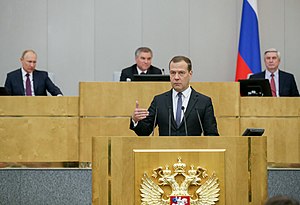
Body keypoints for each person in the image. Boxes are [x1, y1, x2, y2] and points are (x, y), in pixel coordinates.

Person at [130, 56, 219, 136]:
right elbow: (145, 131)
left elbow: (211, 134)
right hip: (165, 152)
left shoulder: (203, 102)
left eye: (181, 73)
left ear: (190, 74)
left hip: (193, 153)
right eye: (173, 73)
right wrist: (135, 120)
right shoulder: (159, 101)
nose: (176, 77)